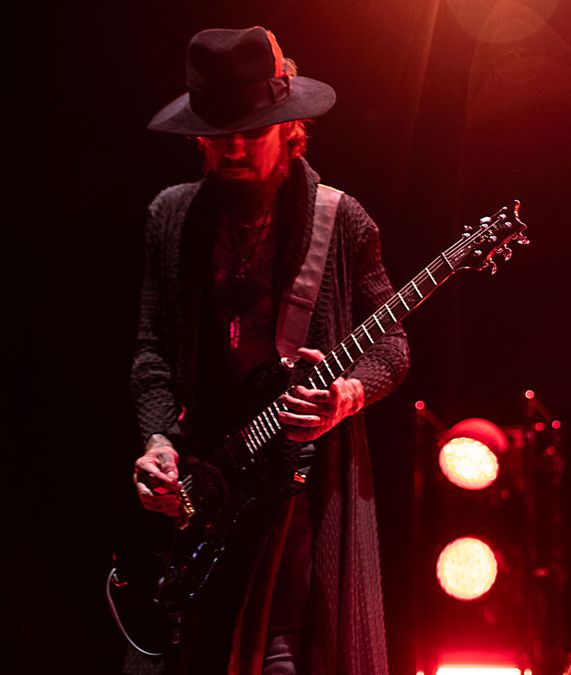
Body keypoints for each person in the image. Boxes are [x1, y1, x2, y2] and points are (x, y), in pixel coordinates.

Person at [130, 27, 409, 674]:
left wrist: (349, 392)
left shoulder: (342, 220)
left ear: (290, 127)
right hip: (206, 485)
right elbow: (151, 351)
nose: (230, 148)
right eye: (215, 132)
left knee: (287, 653)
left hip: (297, 487)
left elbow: (392, 342)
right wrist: (155, 443)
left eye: (249, 131)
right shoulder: (170, 218)